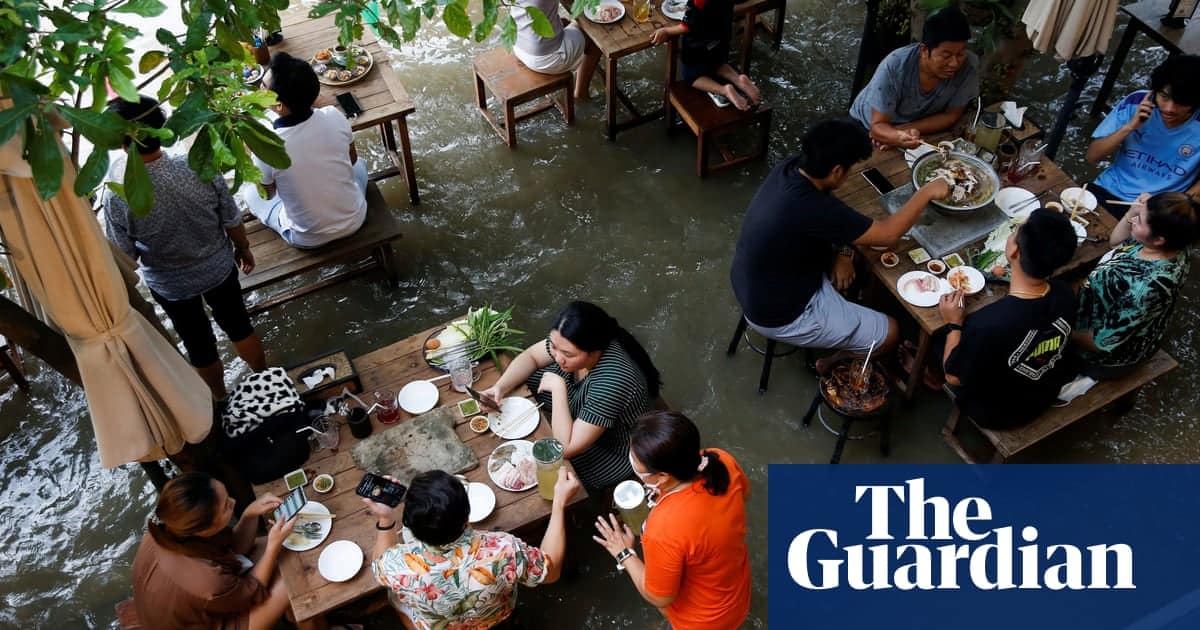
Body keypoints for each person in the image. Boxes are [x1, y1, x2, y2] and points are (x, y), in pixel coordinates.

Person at [730, 118, 949, 370]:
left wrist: (844, 252)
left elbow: (830, 218)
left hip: (752, 281)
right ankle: (833, 361)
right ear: (836, 171)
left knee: (856, 261)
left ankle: (849, 317)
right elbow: (889, 235)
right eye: (851, 167)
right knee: (890, 333)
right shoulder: (811, 207)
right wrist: (926, 192)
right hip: (781, 312)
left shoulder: (791, 167)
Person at [103, 95, 266, 401]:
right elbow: (231, 218)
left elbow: (127, 258)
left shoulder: (118, 194)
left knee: (198, 345)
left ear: (119, 140)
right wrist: (242, 246)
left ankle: (219, 399)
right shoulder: (197, 167)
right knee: (239, 326)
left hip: (171, 285)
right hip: (218, 268)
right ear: (162, 128)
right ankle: (265, 379)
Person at [592, 411, 750, 630]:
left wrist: (624, 553)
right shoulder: (720, 460)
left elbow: (660, 598)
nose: (631, 458)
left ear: (663, 477)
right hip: (736, 595)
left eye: (636, 460)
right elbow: (743, 496)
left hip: (702, 622)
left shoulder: (665, 528)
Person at [367, 468, 581, 629]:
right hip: (495, 620)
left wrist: (385, 517)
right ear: (467, 516)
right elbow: (550, 573)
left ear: (409, 526)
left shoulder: (397, 566)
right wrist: (559, 502)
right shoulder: (503, 549)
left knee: (393, 598)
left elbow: (378, 567)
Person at [481, 301, 661, 490]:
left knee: (547, 470)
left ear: (595, 352)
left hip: (611, 447)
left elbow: (564, 449)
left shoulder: (613, 381)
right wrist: (499, 388)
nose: (557, 356)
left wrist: (559, 388)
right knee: (528, 379)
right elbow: (532, 357)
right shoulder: (567, 340)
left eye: (567, 354)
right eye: (553, 346)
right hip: (583, 403)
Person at [937, 209, 1078, 429]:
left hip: (1000, 412)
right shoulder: (1065, 294)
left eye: (1015, 233)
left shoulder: (988, 324)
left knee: (939, 342)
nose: (1012, 236)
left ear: (1013, 250)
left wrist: (953, 323)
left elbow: (953, 378)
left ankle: (927, 376)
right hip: (1043, 393)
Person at [131, 472, 305, 630]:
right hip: (211, 622)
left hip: (192, 606)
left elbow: (234, 548)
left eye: (227, 496)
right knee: (291, 579)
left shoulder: (168, 524)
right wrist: (273, 547)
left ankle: (290, 614)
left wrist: (250, 513)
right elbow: (251, 591)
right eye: (226, 507)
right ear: (201, 529)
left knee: (286, 546)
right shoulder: (207, 582)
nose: (234, 502)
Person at [242, 52, 368, 248]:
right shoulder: (334, 115)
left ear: (278, 105)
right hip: (355, 219)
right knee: (360, 165)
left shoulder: (266, 144)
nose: (259, 89)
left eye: (263, 87)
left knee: (250, 194)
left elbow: (268, 194)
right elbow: (351, 160)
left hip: (307, 238)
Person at [1073, 192, 1198, 379]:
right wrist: (1134, 212)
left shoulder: (1146, 287)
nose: (1133, 221)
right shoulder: (1176, 242)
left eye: (1139, 221)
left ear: (1158, 239)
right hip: (1098, 311)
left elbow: (1101, 343)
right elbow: (1116, 243)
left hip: (1103, 356)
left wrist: (1061, 329)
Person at [849, 7, 978, 148]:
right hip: (865, 124)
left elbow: (951, 116)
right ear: (924, 50)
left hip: (913, 127)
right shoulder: (895, 66)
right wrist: (891, 135)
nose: (954, 63)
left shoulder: (969, 66)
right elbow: (877, 127)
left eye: (960, 54)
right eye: (946, 56)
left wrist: (899, 134)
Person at [1086, 55, 1200, 214]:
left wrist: (1177, 207)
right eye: (1164, 97)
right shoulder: (1137, 101)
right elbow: (1092, 156)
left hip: (1157, 210)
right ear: (1155, 90)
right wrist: (1130, 126)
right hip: (1108, 190)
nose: (1169, 108)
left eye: (1181, 102)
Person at [649, 0, 761, 110]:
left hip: (700, 43)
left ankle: (724, 90)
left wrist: (667, 31)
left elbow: (688, 26)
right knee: (717, 63)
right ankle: (738, 79)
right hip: (720, 36)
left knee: (691, 76)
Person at [512, 0, 601, 100]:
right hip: (546, 58)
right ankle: (581, 93)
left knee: (565, 21)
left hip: (518, 45)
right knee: (595, 36)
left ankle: (579, 60)